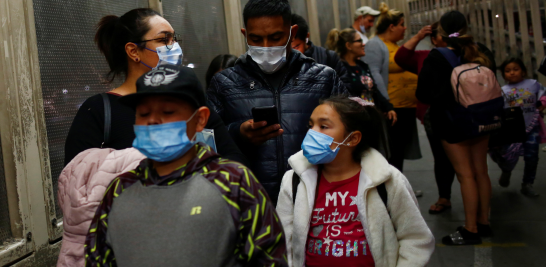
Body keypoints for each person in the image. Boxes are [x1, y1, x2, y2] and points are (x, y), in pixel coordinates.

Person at [84, 65, 287, 267]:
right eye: (143, 114)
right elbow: (97, 259)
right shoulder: (119, 190)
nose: (153, 121)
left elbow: (268, 258)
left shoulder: (233, 182)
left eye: (168, 111)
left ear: (200, 120)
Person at [64, 8, 248, 166]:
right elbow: (79, 181)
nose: (174, 46)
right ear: (133, 51)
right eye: (164, 40)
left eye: (174, 39)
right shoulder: (98, 111)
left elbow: (233, 159)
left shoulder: (191, 102)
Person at [207, 0, 347, 204]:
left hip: (316, 198)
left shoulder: (323, 78)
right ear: (245, 34)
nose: (266, 47)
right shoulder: (224, 83)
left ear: (292, 32)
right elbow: (206, 144)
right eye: (256, 39)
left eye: (275, 37)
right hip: (251, 199)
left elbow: (351, 134)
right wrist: (238, 134)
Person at [276, 96, 435, 267]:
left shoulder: (386, 180)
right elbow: (282, 240)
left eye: (323, 126)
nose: (312, 133)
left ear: (352, 139)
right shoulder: (294, 181)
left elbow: (415, 238)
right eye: (311, 125)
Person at [417, 10, 496, 245]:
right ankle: (484, 222)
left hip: (452, 123)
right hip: (482, 119)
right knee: (481, 171)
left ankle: (470, 230)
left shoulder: (437, 56)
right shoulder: (480, 50)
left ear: (441, 31)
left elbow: (422, 94)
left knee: (465, 175)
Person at [364, 3, 422, 178]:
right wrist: (387, 103)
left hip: (406, 107)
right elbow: (374, 74)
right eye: (402, 24)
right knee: (393, 152)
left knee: (399, 151)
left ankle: (399, 185)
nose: (404, 28)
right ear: (391, 27)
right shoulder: (376, 44)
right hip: (394, 107)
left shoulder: (394, 45)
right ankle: (391, 188)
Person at [489, 58, 546, 197]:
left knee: (532, 156)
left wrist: (542, 103)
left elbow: (544, 95)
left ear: (524, 71)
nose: (512, 73)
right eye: (508, 71)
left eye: (516, 69)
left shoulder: (533, 84)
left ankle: (527, 184)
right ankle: (506, 170)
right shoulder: (502, 91)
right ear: (503, 75)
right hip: (511, 131)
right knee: (507, 157)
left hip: (531, 128)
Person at [325, 28, 396, 120]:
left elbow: (374, 90)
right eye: (359, 41)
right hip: (355, 119)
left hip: (371, 117)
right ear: (348, 45)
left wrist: (388, 107)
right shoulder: (340, 69)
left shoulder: (363, 66)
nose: (363, 44)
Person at [290, 13, 350, 85]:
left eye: (296, 47)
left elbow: (344, 88)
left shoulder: (328, 58)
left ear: (306, 37)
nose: (292, 52)